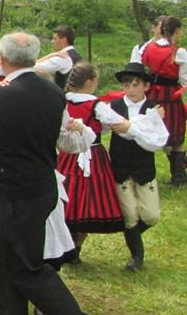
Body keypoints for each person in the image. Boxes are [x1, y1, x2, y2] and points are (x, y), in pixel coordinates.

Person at [0, 32, 115, 315]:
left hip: (17, 191)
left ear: (2, 58)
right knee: (10, 260)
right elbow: (66, 140)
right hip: (42, 187)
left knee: (26, 267)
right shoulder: (54, 93)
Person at [57, 62, 126, 262]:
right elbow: (114, 124)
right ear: (89, 82)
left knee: (68, 195)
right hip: (91, 153)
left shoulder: (63, 100)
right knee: (88, 199)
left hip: (67, 154)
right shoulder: (97, 105)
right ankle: (75, 247)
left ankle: (68, 245)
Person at [107, 63, 169, 271]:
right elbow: (108, 127)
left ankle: (130, 234)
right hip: (120, 167)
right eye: (127, 85)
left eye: (135, 84)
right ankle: (137, 256)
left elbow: (156, 140)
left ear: (146, 86)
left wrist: (131, 127)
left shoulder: (153, 108)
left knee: (151, 215)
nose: (131, 89)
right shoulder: (114, 107)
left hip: (144, 168)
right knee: (130, 213)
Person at [139, 15, 187, 184]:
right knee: (177, 137)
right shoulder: (178, 52)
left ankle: (174, 173)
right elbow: (184, 79)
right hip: (171, 95)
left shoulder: (148, 47)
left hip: (152, 94)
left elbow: (142, 64)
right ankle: (179, 176)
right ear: (177, 30)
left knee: (159, 131)